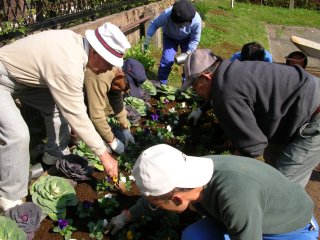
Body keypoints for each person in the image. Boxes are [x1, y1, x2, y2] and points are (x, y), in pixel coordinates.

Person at [0, 22, 130, 211]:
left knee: (57, 108)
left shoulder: (76, 45)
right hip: (3, 76)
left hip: (22, 79)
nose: (108, 70)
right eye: (108, 64)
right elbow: (76, 114)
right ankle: (9, 196)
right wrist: (104, 155)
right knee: (17, 134)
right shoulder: (68, 64)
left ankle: (53, 154)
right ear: (95, 54)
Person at [105, 144, 319, 239]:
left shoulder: (235, 196)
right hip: (249, 216)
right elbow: (158, 195)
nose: (153, 206)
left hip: (289, 229)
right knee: (193, 236)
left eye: (155, 204)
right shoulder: (193, 173)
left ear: (177, 198)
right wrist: (127, 216)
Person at [182, 49, 320, 187]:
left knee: (281, 186)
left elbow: (253, 147)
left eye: (194, 86)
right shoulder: (230, 70)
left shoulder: (226, 95)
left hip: (314, 113)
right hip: (298, 104)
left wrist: (218, 172)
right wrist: (203, 109)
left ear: (206, 77)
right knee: (272, 155)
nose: (195, 91)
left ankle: (291, 205)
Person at [84, 58, 148, 154]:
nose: (126, 90)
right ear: (121, 74)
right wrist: (112, 141)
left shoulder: (117, 77)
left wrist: (125, 129)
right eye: (127, 85)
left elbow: (117, 100)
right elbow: (96, 116)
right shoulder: (101, 76)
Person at [142, 0, 202, 85]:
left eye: (180, 25)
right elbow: (154, 24)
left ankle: (186, 85)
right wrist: (147, 39)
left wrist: (189, 52)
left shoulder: (196, 20)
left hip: (187, 39)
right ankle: (162, 83)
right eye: (176, 24)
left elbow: (195, 39)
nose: (178, 27)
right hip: (170, 38)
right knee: (167, 59)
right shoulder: (167, 15)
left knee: (188, 63)